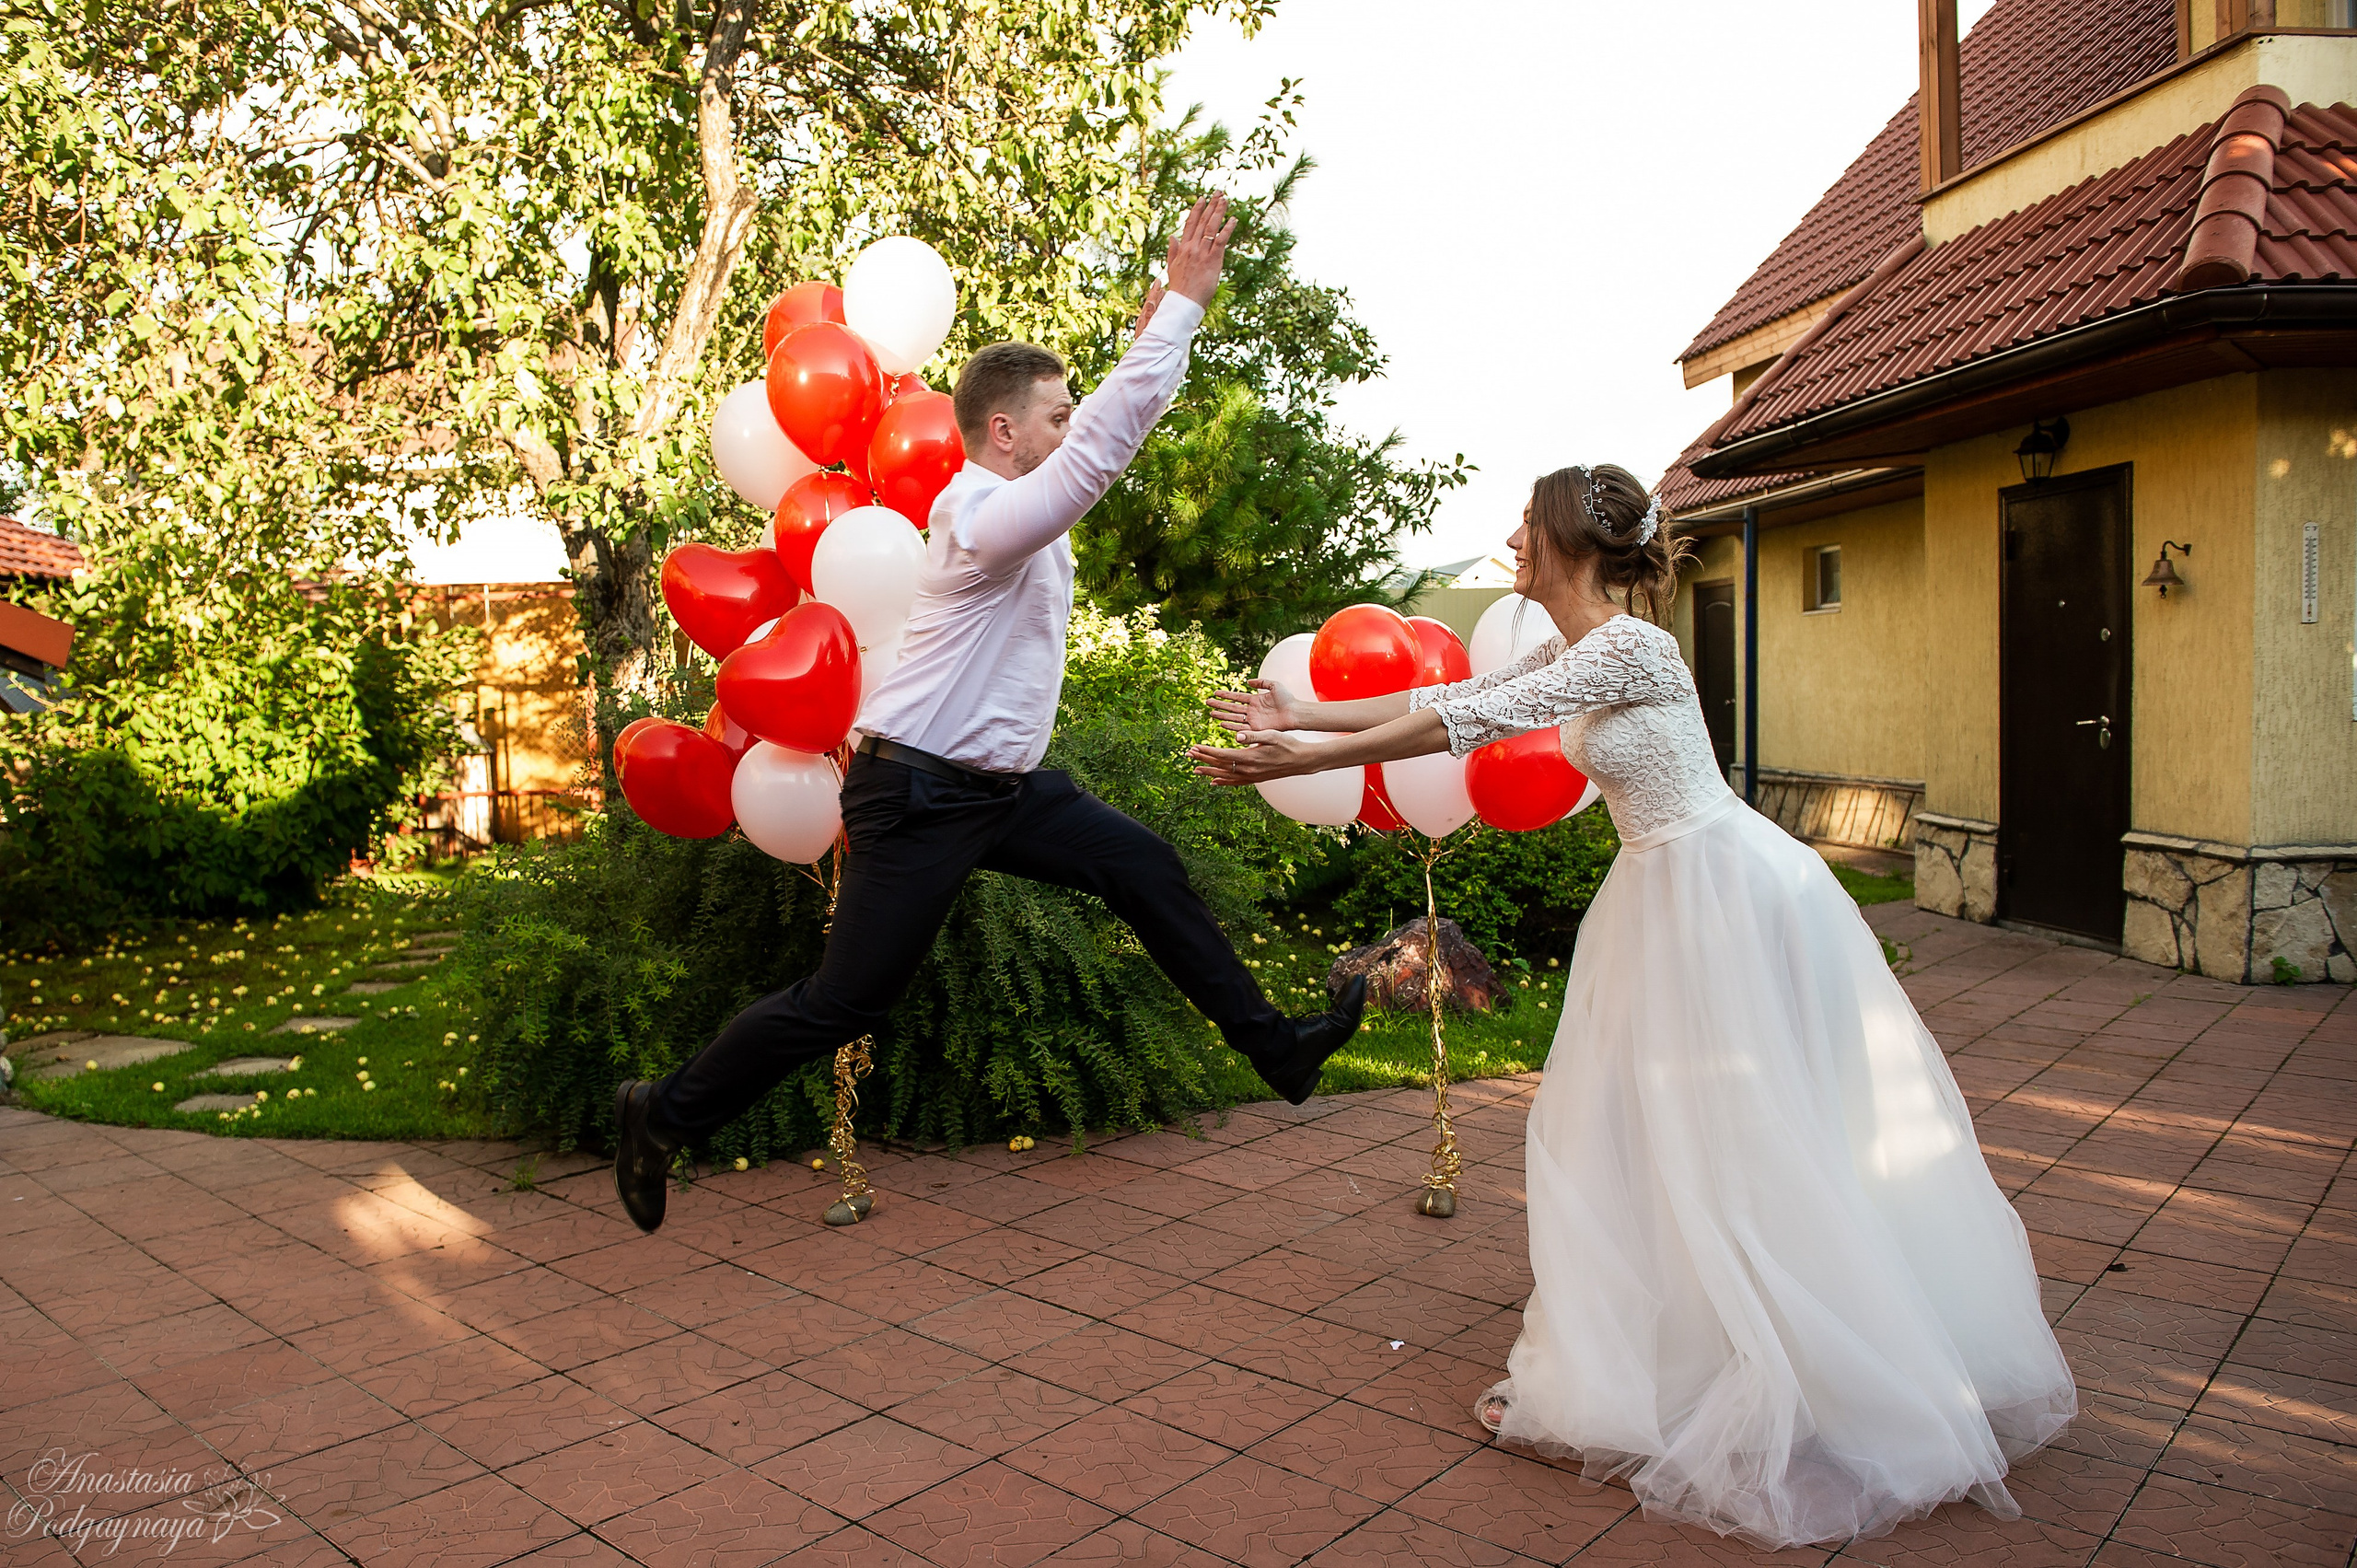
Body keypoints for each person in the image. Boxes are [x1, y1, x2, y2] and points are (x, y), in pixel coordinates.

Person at [1188, 464, 2076, 1549]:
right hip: (1660, 892)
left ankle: (1814, 1363)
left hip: (1723, 897)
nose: (1514, 532)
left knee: (1745, 1135)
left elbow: (1465, 718)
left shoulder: (1631, 644)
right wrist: (1306, 714)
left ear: (1564, 537)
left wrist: (1303, 749)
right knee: (1635, 1133)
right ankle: (1678, 1355)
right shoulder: (1578, 647)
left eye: (1528, 518)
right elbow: (1441, 699)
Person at [612, 195, 1367, 1234]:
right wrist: (1182, 312)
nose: (1072, 428)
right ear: (1003, 430)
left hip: (997, 790)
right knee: (845, 1002)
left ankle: (1274, 1044)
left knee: (1137, 863)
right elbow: (1098, 455)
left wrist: (1159, 331)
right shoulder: (976, 515)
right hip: (918, 791)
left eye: (1072, 413)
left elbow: (1099, 431)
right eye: (1054, 416)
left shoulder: (1016, 504)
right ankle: (660, 1111)